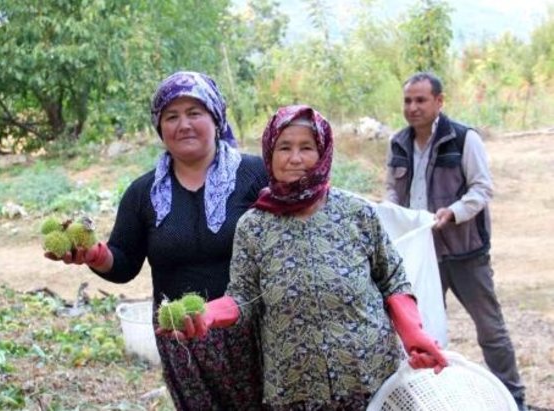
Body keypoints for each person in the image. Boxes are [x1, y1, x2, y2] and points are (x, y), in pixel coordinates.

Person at [167, 104, 447, 410]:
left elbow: (392, 280)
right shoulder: (254, 226)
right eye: (284, 147)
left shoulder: (356, 212)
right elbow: (242, 296)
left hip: (371, 379)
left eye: (307, 147)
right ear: (270, 154)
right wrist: (206, 316)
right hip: (295, 389)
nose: (295, 158)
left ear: (323, 153)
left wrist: (413, 334)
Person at [45, 71, 267, 410]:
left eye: (195, 113)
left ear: (216, 117)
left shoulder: (256, 175)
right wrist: (93, 253)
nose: (184, 125)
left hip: (252, 333)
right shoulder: (143, 193)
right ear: (159, 126)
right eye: (171, 116)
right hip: (183, 337)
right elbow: (123, 263)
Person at [385, 71, 527, 410]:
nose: (413, 107)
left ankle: (513, 398)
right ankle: (427, 398)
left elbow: (482, 189)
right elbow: (392, 189)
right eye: (408, 100)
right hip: (420, 252)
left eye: (421, 100)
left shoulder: (463, 138)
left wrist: (453, 213)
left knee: (490, 329)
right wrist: (392, 214)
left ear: (439, 101)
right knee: (422, 330)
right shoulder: (398, 142)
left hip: (464, 251)